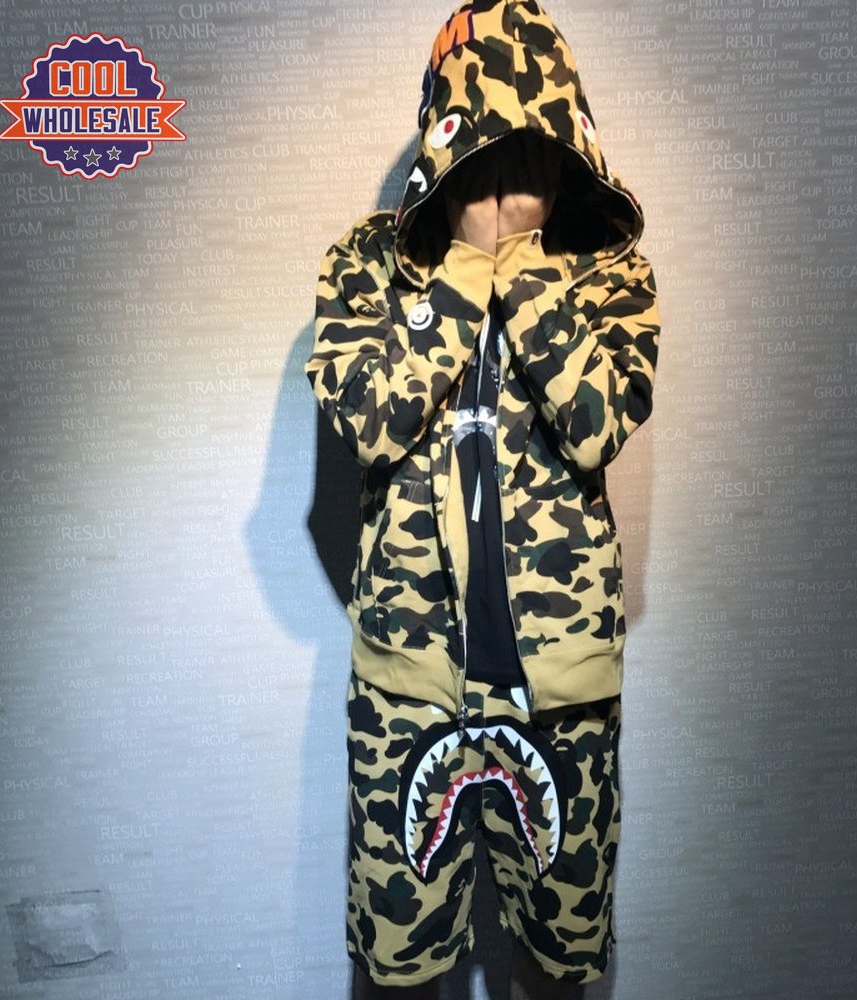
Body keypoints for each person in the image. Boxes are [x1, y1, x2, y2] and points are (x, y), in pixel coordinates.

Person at [305, 1, 660, 996]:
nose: (505, 182)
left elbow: (597, 424)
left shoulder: (609, 270)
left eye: (531, 154)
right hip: (407, 688)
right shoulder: (365, 263)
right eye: (484, 157)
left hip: (563, 690)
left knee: (557, 963)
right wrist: (465, 263)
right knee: (402, 967)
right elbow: (371, 422)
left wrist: (528, 270)